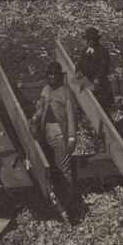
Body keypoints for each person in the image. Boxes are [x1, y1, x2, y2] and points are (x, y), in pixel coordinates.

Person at [30, 61, 78, 209]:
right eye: (50, 75)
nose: (53, 78)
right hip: (47, 129)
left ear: (60, 77)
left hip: (59, 131)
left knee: (63, 166)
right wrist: (34, 118)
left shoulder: (67, 92)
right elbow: (41, 108)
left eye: (55, 75)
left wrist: (71, 137)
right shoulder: (45, 90)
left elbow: (72, 116)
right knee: (50, 163)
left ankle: (69, 200)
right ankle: (55, 195)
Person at [76, 27, 114, 110]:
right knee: (88, 102)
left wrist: (98, 77)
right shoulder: (85, 51)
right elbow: (79, 64)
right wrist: (79, 71)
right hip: (87, 81)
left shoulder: (103, 51)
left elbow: (104, 68)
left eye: (94, 40)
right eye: (89, 40)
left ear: (97, 40)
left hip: (99, 83)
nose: (91, 42)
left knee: (101, 104)